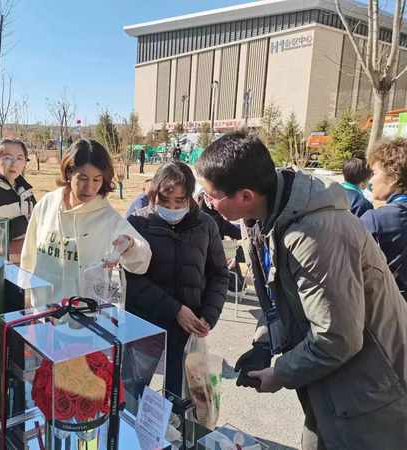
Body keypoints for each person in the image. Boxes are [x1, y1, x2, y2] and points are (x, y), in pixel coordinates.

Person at [195, 131, 407, 450]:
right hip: (330, 387)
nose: (207, 203)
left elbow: (337, 337)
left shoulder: (315, 235)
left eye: (212, 195)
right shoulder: (264, 217)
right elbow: (278, 297)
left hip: (371, 396)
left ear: (245, 196)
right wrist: (264, 342)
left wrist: (279, 373)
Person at [125, 162, 228, 395]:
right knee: (131, 393)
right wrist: (175, 309)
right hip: (144, 325)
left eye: (179, 201)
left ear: (190, 197)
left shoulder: (206, 225)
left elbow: (219, 274)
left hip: (187, 331)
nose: (172, 208)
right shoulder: (138, 223)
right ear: (154, 195)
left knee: (180, 398)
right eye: (164, 201)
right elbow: (131, 279)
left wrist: (208, 316)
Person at [21, 139, 151, 306]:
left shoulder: (108, 218)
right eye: (82, 178)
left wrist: (130, 244)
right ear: (69, 173)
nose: (89, 188)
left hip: (84, 314)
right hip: (42, 310)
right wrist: (25, 300)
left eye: (97, 180)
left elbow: (142, 261)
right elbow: (29, 254)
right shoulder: (48, 204)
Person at [361, 138, 407, 297]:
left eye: (374, 173)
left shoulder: (375, 220)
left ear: (394, 176)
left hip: (388, 303)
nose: (371, 181)